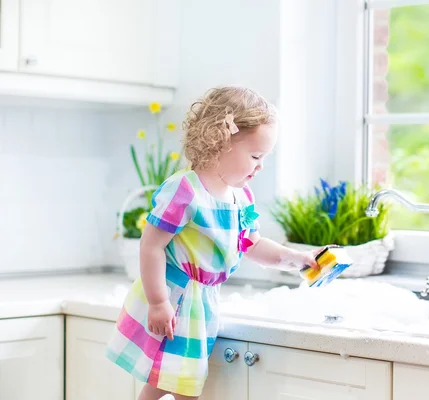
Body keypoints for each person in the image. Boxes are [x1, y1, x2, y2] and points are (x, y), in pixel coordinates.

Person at [105, 86, 322, 399]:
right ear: (220, 142)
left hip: (202, 303)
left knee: (164, 379)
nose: (261, 166)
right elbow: (150, 245)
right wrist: (157, 301)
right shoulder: (185, 190)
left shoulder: (240, 197)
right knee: (183, 387)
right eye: (256, 156)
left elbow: (253, 244)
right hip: (177, 298)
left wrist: (296, 258)